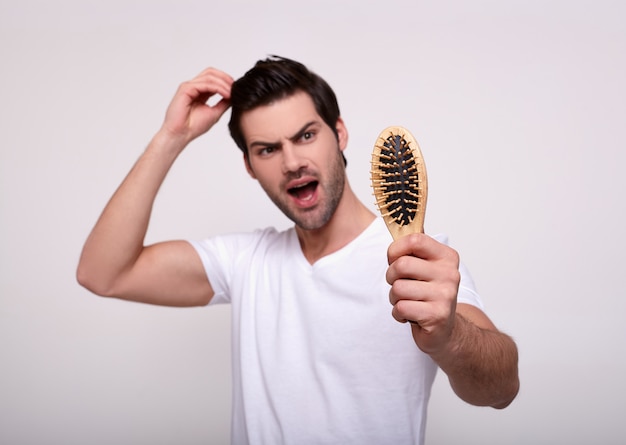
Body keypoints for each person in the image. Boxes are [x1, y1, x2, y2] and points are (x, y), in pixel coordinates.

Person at [77, 56, 519, 444]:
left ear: (339, 133)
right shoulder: (247, 261)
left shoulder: (418, 258)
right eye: (268, 149)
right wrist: (171, 136)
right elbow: (104, 273)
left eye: (306, 136)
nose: (291, 162)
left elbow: (501, 389)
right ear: (250, 166)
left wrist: (448, 336)